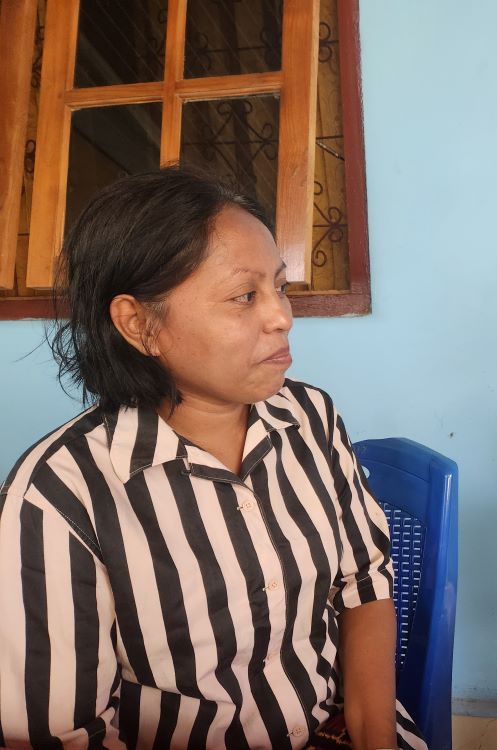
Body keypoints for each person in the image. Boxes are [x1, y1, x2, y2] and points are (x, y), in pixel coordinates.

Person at [0, 169, 425, 750]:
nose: (282, 317)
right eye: (244, 296)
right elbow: (60, 735)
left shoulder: (309, 417)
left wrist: (375, 738)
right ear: (139, 324)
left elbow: (363, 581)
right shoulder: (59, 495)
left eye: (279, 287)